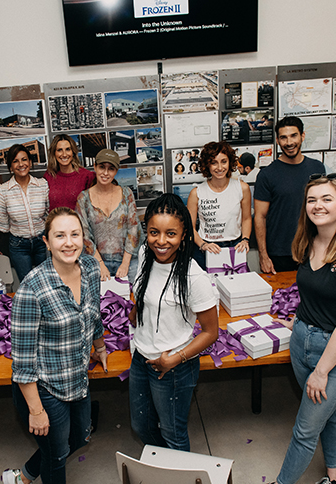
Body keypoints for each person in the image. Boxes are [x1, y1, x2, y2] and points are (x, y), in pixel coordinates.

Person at [269, 174, 336, 484]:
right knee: (330, 412)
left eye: (326, 198)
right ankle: (335, 476)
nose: (318, 205)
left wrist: (322, 371)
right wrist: (299, 320)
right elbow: (313, 292)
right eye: (312, 199)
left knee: (305, 429)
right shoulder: (308, 241)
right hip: (302, 338)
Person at [2, 207, 107, 484]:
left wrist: (100, 346)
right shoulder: (31, 289)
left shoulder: (91, 268)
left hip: (77, 379)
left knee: (79, 438)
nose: (69, 242)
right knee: (57, 456)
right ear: (46, 242)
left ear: (84, 238)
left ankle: (23, 476)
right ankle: (27, 476)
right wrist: (36, 412)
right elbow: (22, 364)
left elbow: (93, 312)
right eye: (59, 236)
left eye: (75, 234)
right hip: (45, 386)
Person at [128, 194, 219, 451]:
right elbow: (142, 286)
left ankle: (177, 470)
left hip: (175, 366)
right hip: (141, 356)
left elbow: (211, 332)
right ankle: (165, 465)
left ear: (184, 235)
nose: (161, 241)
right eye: (154, 232)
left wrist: (174, 359)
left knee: (173, 433)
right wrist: (137, 309)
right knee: (141, 426)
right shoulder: (146, 252)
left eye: (171, 234)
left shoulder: (194, 276)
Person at [254, 116, 325, 273]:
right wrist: (263, 256)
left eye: (293, 135)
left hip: (314, 250)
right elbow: (260, 217)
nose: (289, 142)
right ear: (278, 141)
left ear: (302, 136)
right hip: (279, 254)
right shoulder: (267, 174)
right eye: (283, 138)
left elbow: (326, 209)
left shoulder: (317, 168)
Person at [76, 149, 141, 283]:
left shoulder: (126, 194)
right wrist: (100, 264)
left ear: (116, 171)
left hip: (127, 259)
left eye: (111, 169)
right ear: (94, 166)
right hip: (96, 261)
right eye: (101, 167)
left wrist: (125, 264)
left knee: (132, 299)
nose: (105, 173)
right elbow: (84, 234)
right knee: (100, 302)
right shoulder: (83, 198)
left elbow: (133, 229)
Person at [187, 141, 252, 271]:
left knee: (237, 287)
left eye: (224, 161)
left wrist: (245, 239)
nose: (219, 167)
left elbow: (246, 219)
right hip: (206, 249)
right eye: (214, 162)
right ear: (207, 165)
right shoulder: (196, 193)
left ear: (230, 162)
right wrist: (203, 244)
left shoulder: (242, 188)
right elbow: (189, 227)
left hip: (235, 246)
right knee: (208, 289)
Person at [0, 143, 50, 282]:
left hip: (41, 242)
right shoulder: (3, 190)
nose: (21, 164)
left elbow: (49, 214)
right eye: (15, 161)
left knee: (46, 282)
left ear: (30, 162)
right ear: (10, 166)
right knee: (27, 284)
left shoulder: (42, 184)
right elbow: (0, 223)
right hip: (18, 246)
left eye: (24, 159)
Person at [44, 134, 95, 211]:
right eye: (59, 150)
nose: (64, 154)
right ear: (54, 153)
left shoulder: (87, 176)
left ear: (73, 152)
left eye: (68, 149)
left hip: (78, 222)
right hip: (55, 222)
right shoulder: (49, 176)